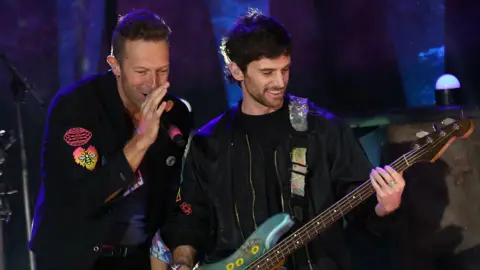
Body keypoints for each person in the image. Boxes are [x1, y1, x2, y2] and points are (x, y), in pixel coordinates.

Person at [156, 10, 406, 270]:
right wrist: (182, 264)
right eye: (267, 72)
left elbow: (362, 211)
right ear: (237, 71)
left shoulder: (323, 129)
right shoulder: (209, 142)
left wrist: (384, 207)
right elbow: (189, 219)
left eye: (284, 70)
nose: (279, 82)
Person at [29, 10, 191, 270]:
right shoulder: (76, 107)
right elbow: (83, 199)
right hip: (75, 258)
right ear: (115, 65)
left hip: (139, 258)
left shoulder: (177, 115)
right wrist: (141, 140)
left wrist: (181, 256)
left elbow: (174, 201)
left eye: (162, 70)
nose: (153, 83)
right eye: (142, 72)